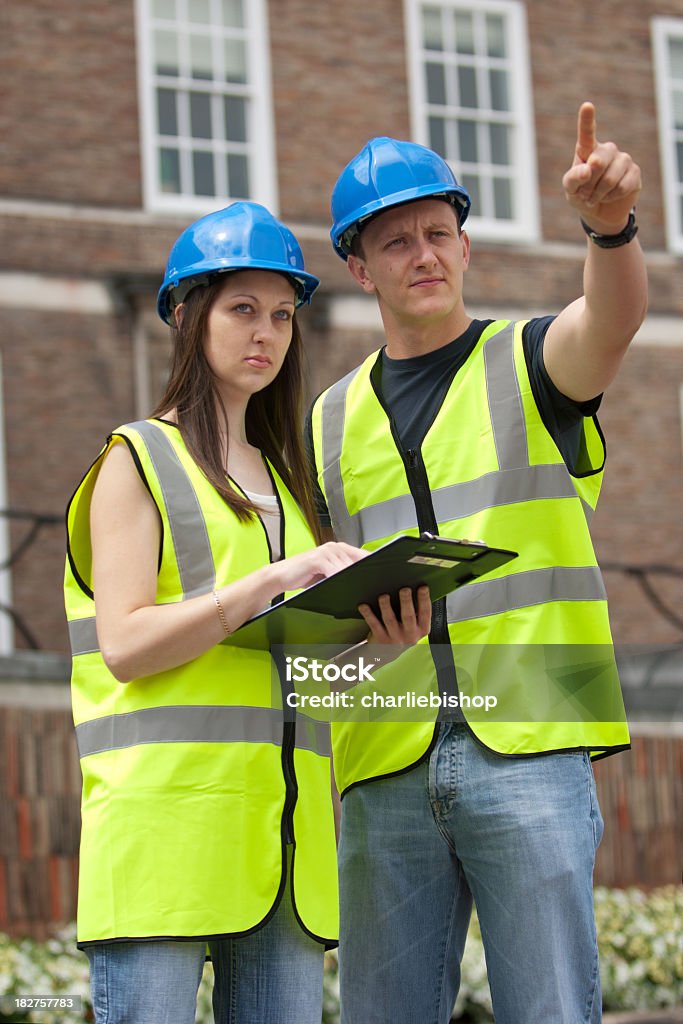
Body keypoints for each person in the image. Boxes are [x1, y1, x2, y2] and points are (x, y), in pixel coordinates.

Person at [306, 104, 646, 1023]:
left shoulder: (530, 361)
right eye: (394, 242)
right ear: (356, 266)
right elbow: (318, 614)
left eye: (437, 233)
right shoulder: (326, 422)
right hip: (385, 759)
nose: (421, 254)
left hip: (531, 743)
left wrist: (608, 229)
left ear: (464, 247)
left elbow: (610, 323)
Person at [64, 201, 430, 1024]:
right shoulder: (137, 460)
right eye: (241, 309)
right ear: (188, 318)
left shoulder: (290, 491)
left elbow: (301, 683)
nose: (265, 332)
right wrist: (274, 580)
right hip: (164, 842)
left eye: (281, 314)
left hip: (283, 855)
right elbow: (123, 645)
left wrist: (382, 644)